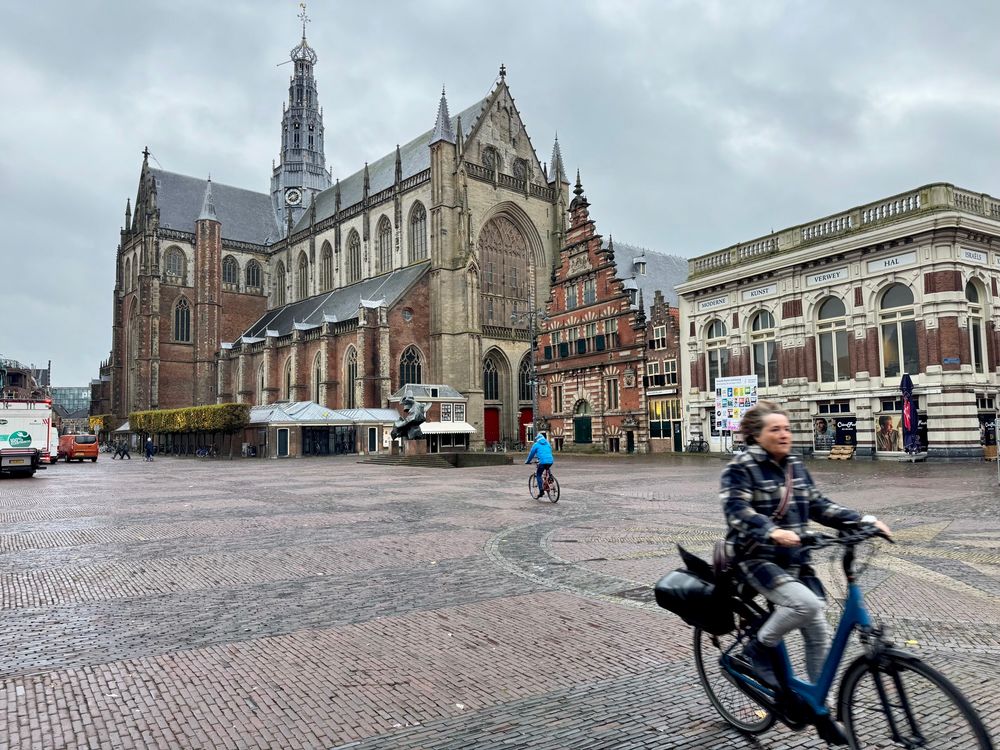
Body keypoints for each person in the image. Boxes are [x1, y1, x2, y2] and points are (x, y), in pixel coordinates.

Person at [721, 401, 891, 745]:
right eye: (775, 429)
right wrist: (769, 530)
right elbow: (736, 509)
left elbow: (819, 504)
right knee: (807, 606)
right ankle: (755, 649)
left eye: (786, 428)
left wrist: (862, 520)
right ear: (756, 435)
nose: (784, 434)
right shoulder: (740, 467)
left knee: (818, 631)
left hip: (795, 560)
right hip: (756, 559)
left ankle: (820, 707)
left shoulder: (795, 466)